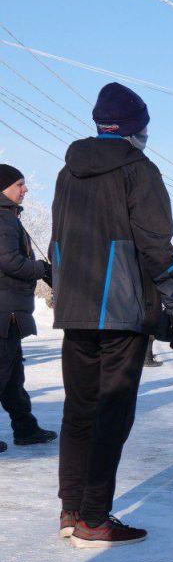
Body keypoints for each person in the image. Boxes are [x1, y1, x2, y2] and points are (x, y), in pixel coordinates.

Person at [50, 82, 173, 548]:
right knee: (112, 415)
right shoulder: (139, 170)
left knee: (79, 410)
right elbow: (155, 246)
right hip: (122, 310)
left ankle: (71, 510)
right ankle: (93, 516)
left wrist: (65, 292)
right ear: (135, 128)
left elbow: (57, 239)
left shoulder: (68, 173)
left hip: (76, 308)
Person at [0, 164, 55, 453]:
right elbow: (8, 261)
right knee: (4, 373)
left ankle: (25, 427)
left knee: (11, 376)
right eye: (19, 184)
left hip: (9, 310)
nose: (25, 189)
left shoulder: (9, 217)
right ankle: (25, 427)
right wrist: (41, 269)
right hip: (4, 311)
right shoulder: (3, 219)